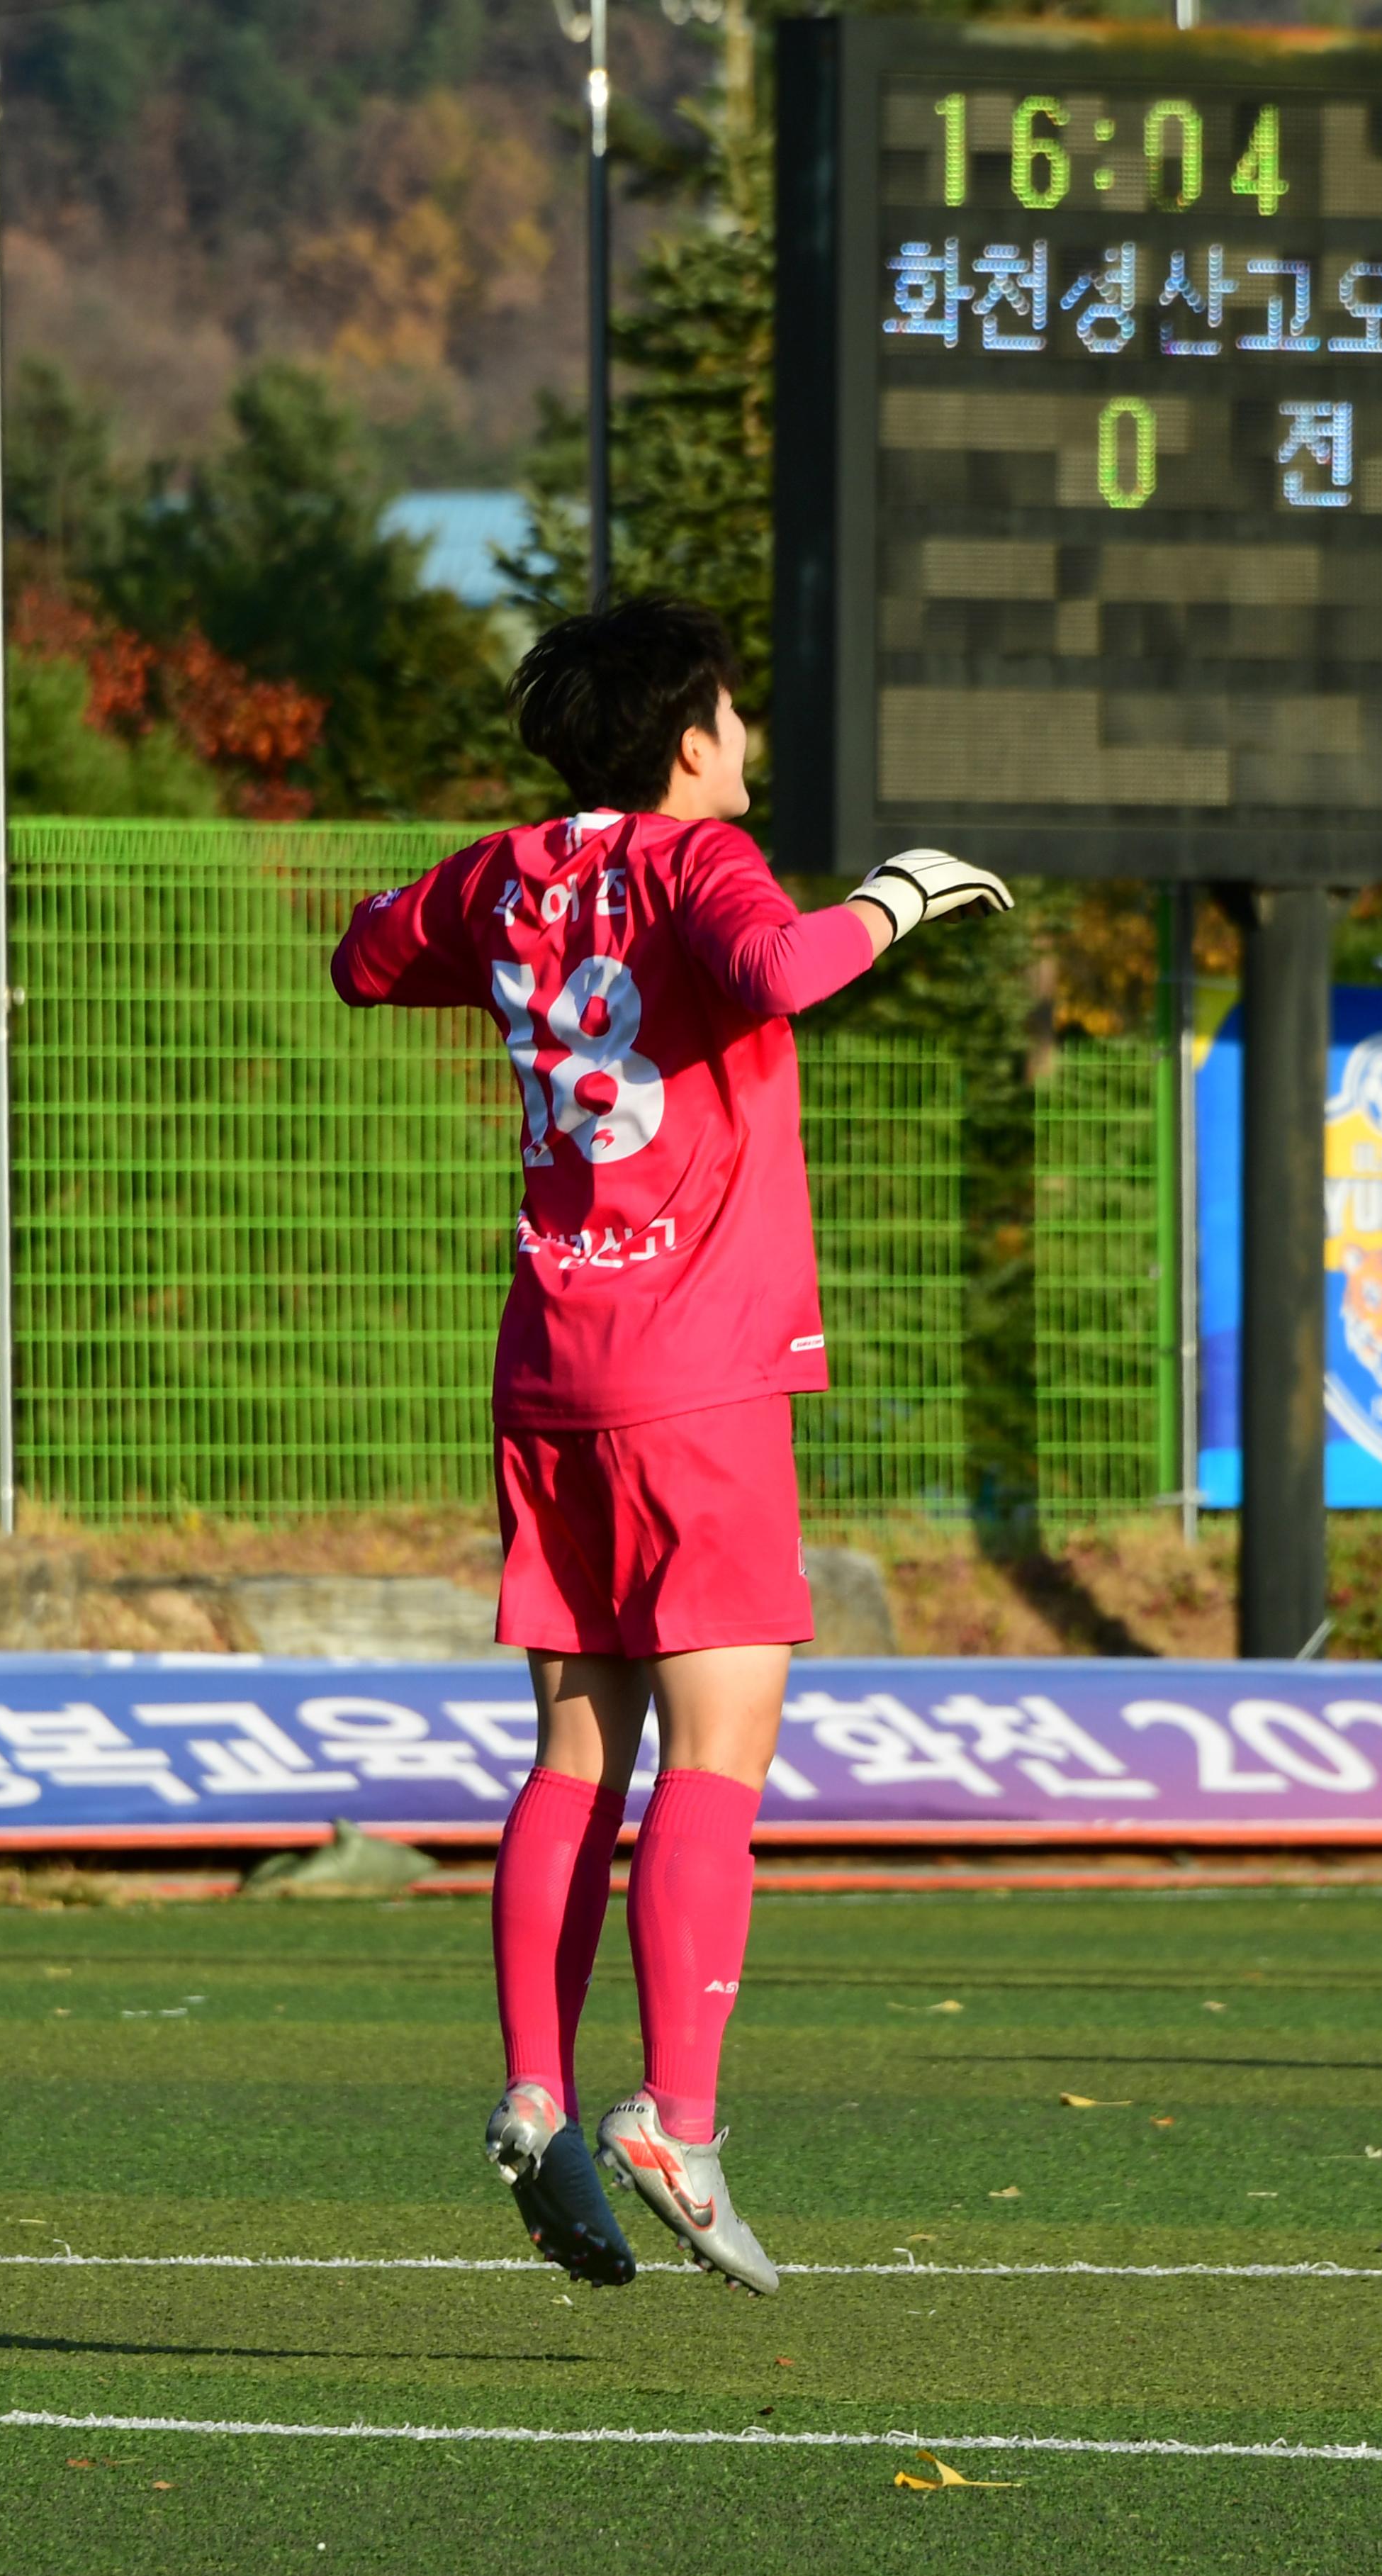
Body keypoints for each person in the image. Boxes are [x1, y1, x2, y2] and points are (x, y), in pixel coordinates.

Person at [329, 595, 1006, 2292]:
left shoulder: (505, 868)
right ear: (691, 735)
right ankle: (677, 2117)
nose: (749, 740)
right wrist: (903, 893)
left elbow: (361, 954)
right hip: (699, 1373)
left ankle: (538, 2092)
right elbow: (783, 966)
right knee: (719, 1751)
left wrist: (516, 935)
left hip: (554, 1363)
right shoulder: (702, 864)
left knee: (576, 1753)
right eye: (735, 712)